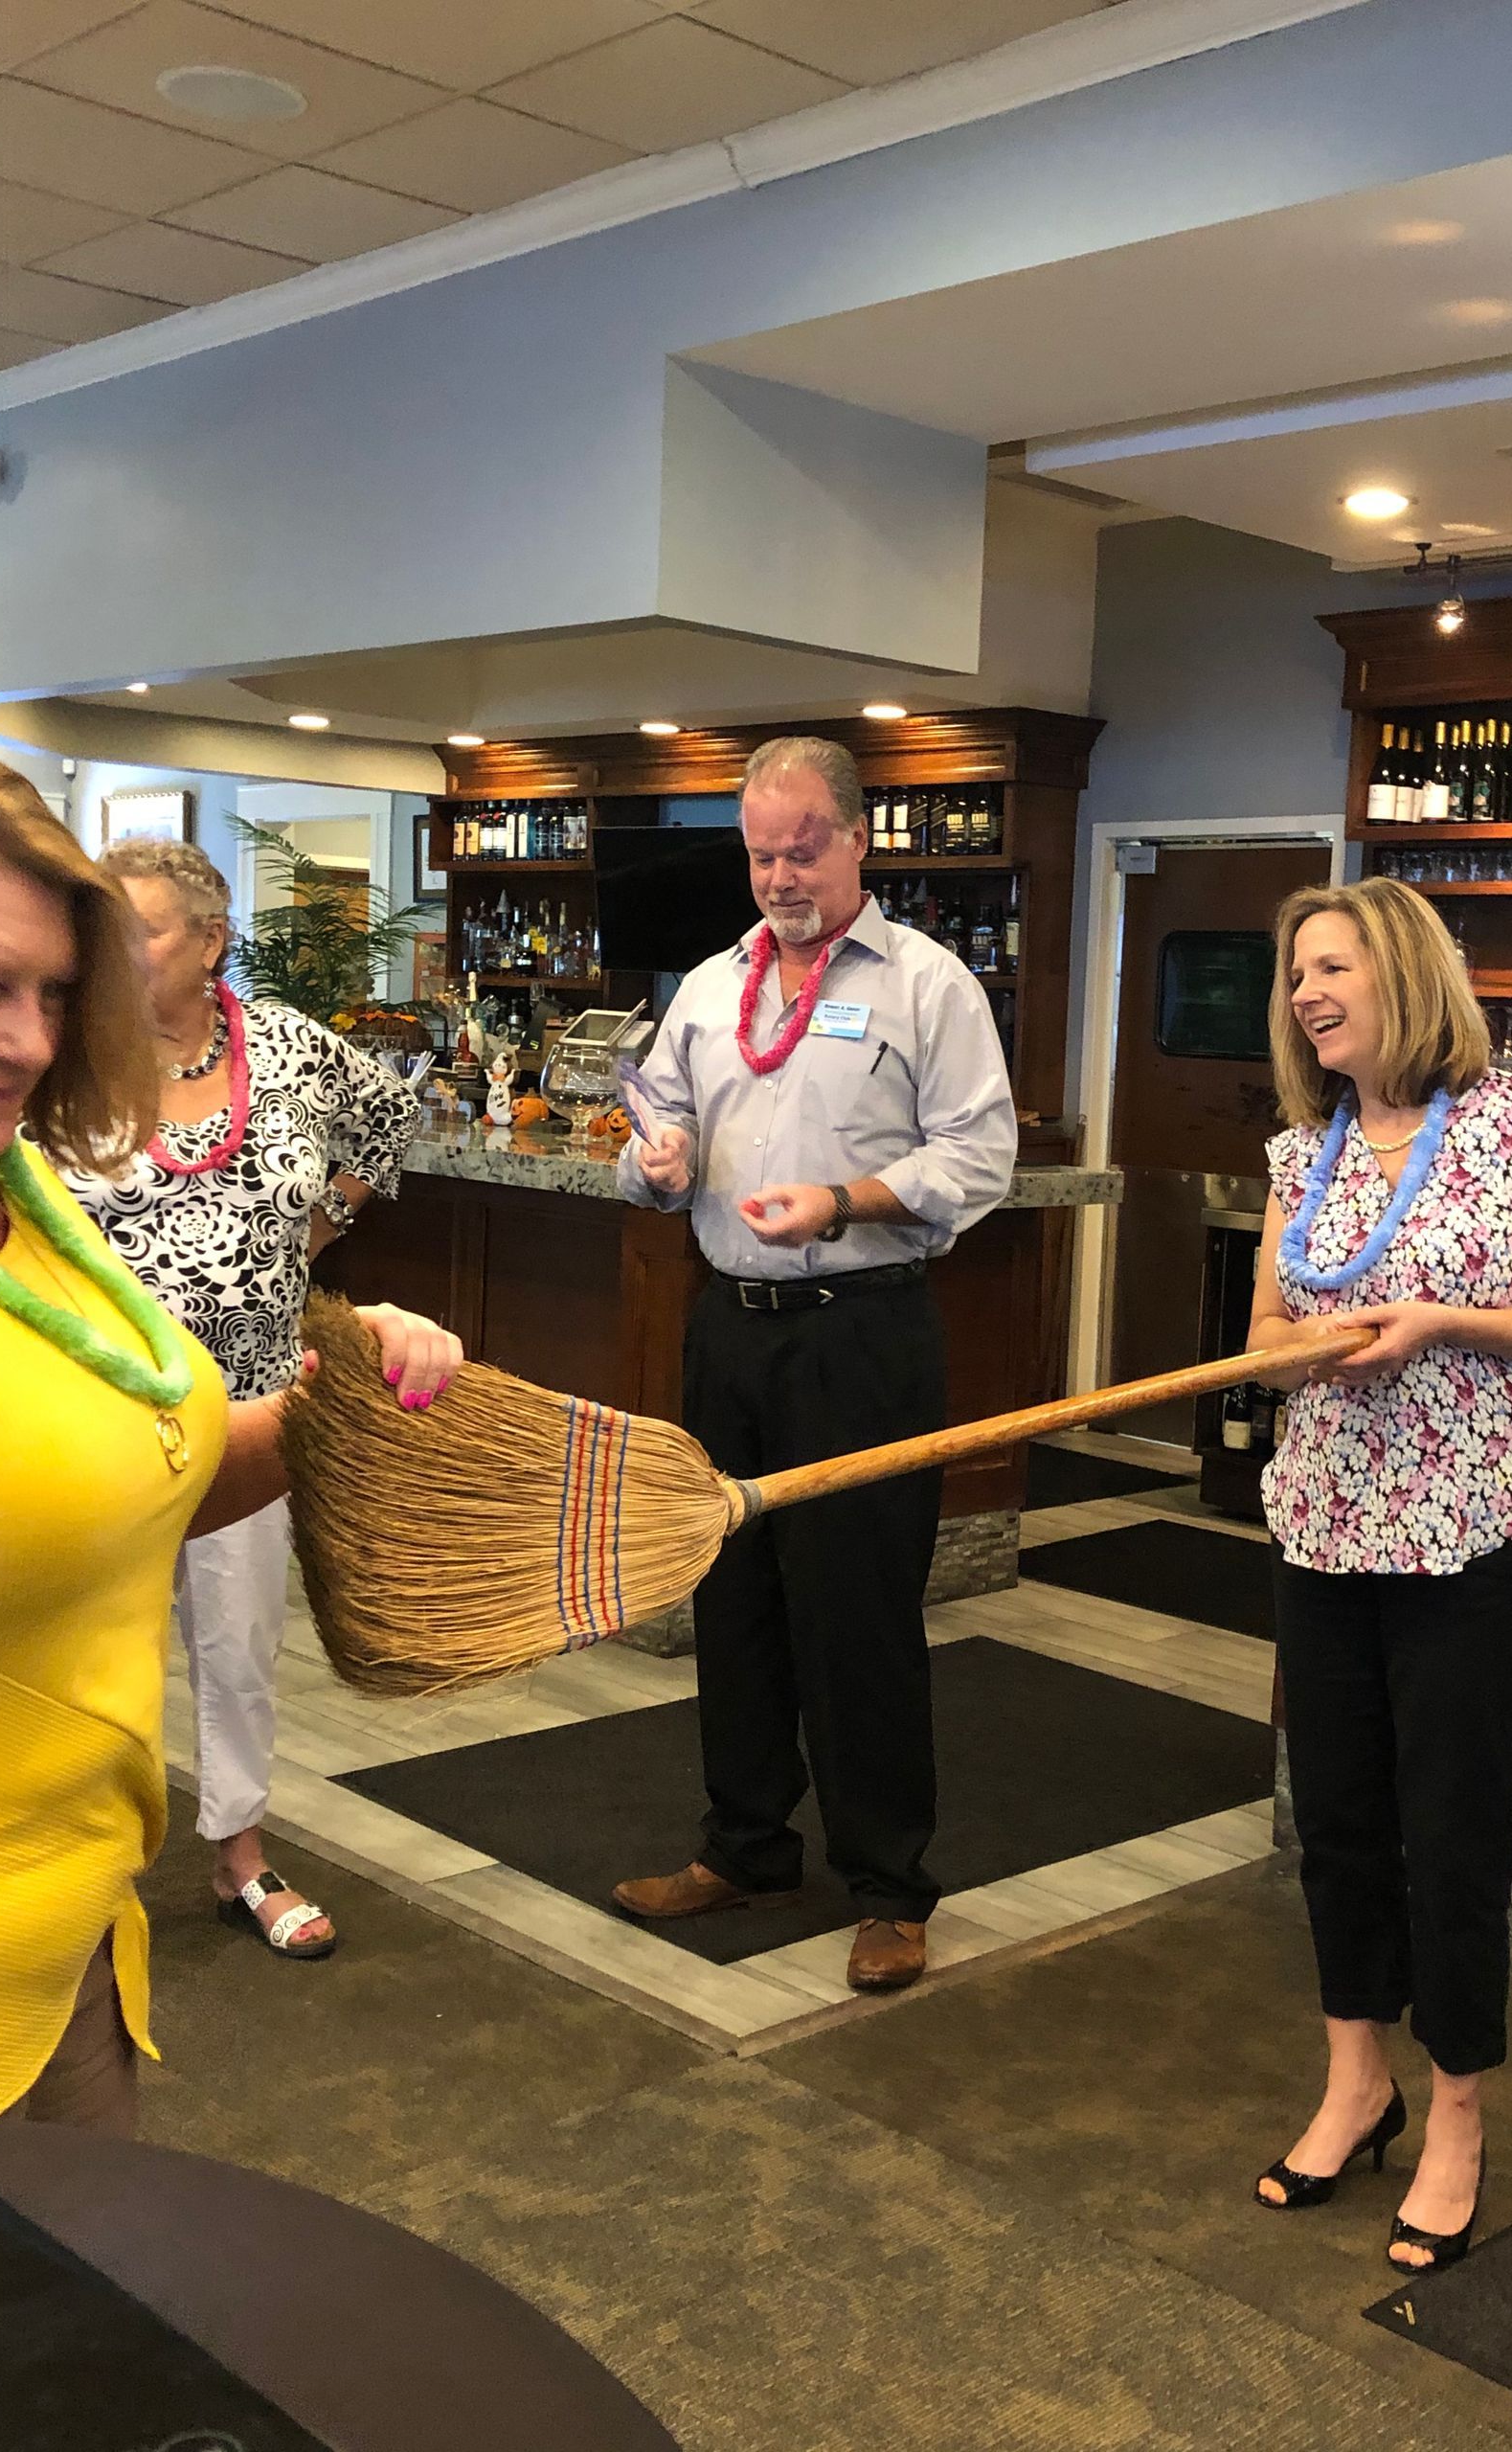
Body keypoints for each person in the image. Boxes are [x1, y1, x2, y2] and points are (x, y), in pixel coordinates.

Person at [0, 750, 461, 2135]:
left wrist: (338, 1383)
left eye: (52, 990)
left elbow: (147, 1487)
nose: (27, 1038)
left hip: (64, 1930)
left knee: (233, 1654)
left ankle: (236, 1848)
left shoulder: (20, 1193)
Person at [1246, 877, 1512, 2271]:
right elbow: (1265, 1330)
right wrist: (1299, 1351)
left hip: (1479, 1536)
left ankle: (1457, 2112)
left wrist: (1443, 1323)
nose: (1306, 994)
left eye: (1331, 967)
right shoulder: (1306, 1152)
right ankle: (1358, 2081)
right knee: (1338, 1821)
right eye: (1296, 974)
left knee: (1451, 1832)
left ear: (1403, 972)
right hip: (1324, 1528)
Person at [611, 737, 1016, 1991]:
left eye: (801, 851)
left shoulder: (928, 985)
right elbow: (651, 1133)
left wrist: (842, 1200)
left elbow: (980, 1160)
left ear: (856, 840)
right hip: (728, 1328)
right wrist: (658, 1163)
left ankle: (890, 1887)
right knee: (732, 1599)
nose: (780, 878)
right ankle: (745, 1846)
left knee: (856, 1615)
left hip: (861, 1333)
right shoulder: (708, 987)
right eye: (760, 856)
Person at [57, 836, 418, 1963]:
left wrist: (323, 1228)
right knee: (90, 1649)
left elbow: (388, 1119)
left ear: (210, 941)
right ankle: (81, 1863)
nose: (111, 952)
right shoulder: (66, 1054)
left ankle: (241, 1856)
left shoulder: (292, 1049)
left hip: (258, 1407)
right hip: (100, 1414)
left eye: (138, 930)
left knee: (239, 1642)